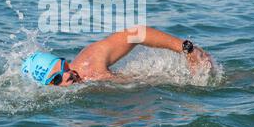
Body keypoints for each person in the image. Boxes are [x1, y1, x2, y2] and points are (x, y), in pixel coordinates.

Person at [21, 25, 213, 87]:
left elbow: (134, 33)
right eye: (56, 80)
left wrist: (186, 48)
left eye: (64, 68)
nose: (67, 76)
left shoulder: (90, 61)